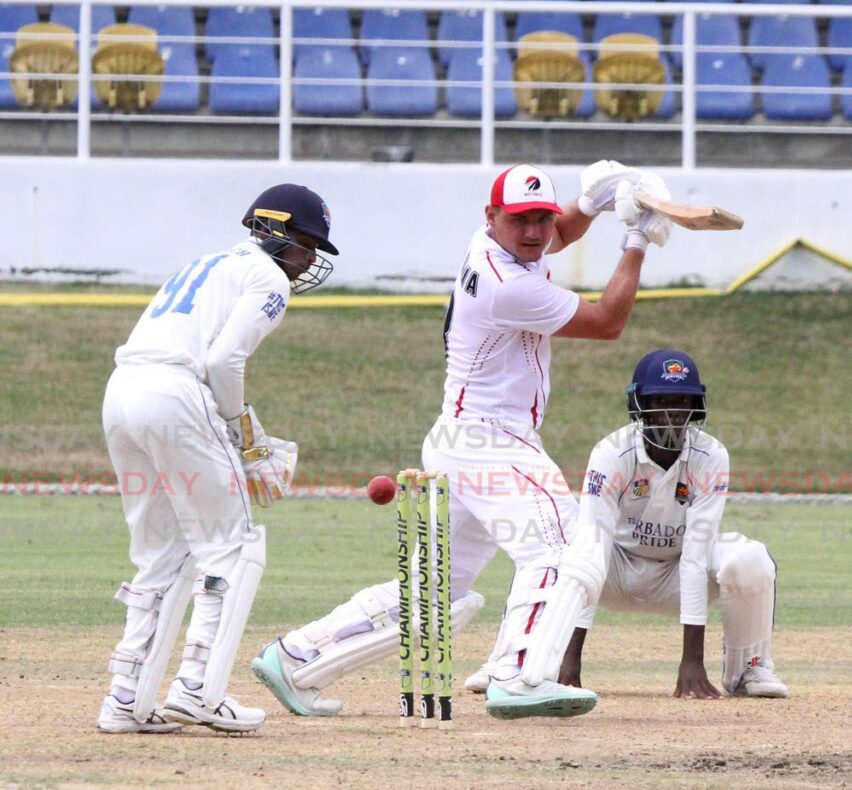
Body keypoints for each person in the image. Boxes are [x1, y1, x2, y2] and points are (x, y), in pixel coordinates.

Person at [251, 161, 674, 719]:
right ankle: (517, 676)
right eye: (520, 219)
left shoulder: (492, 246)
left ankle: (295, 655)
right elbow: (608, 321)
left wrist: (592, 203)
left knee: (434, 593)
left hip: (462, 437)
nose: (534, 232)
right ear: (492, 216)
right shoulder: (506, 287)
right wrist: (637, 238)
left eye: (541, 218)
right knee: (562, 544)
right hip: (490, 440)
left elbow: (558, 236)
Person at [96, 184, 337, 734]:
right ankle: (199, 690)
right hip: (177, 393)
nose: (309, 259)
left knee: (160, 555)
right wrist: (247, 440)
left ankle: (126, 698)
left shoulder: (205, 261)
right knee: (233, 546)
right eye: (305, 243)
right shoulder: (269, 277)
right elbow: (223, 361)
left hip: (121, 394)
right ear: (274, 231)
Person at [467, 349, 788, 702]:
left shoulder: (711, 455)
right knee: (556, 544)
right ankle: (511, 661)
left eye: (683, 401)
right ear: (639, 406)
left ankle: (749, 668)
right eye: (661, 401)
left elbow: (697, 555)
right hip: (612, 573)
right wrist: (570, 663)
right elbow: (593, 545)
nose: (674, 413)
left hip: (676, 575)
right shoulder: (610, 453)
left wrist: (692, 661)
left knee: (750, 559)